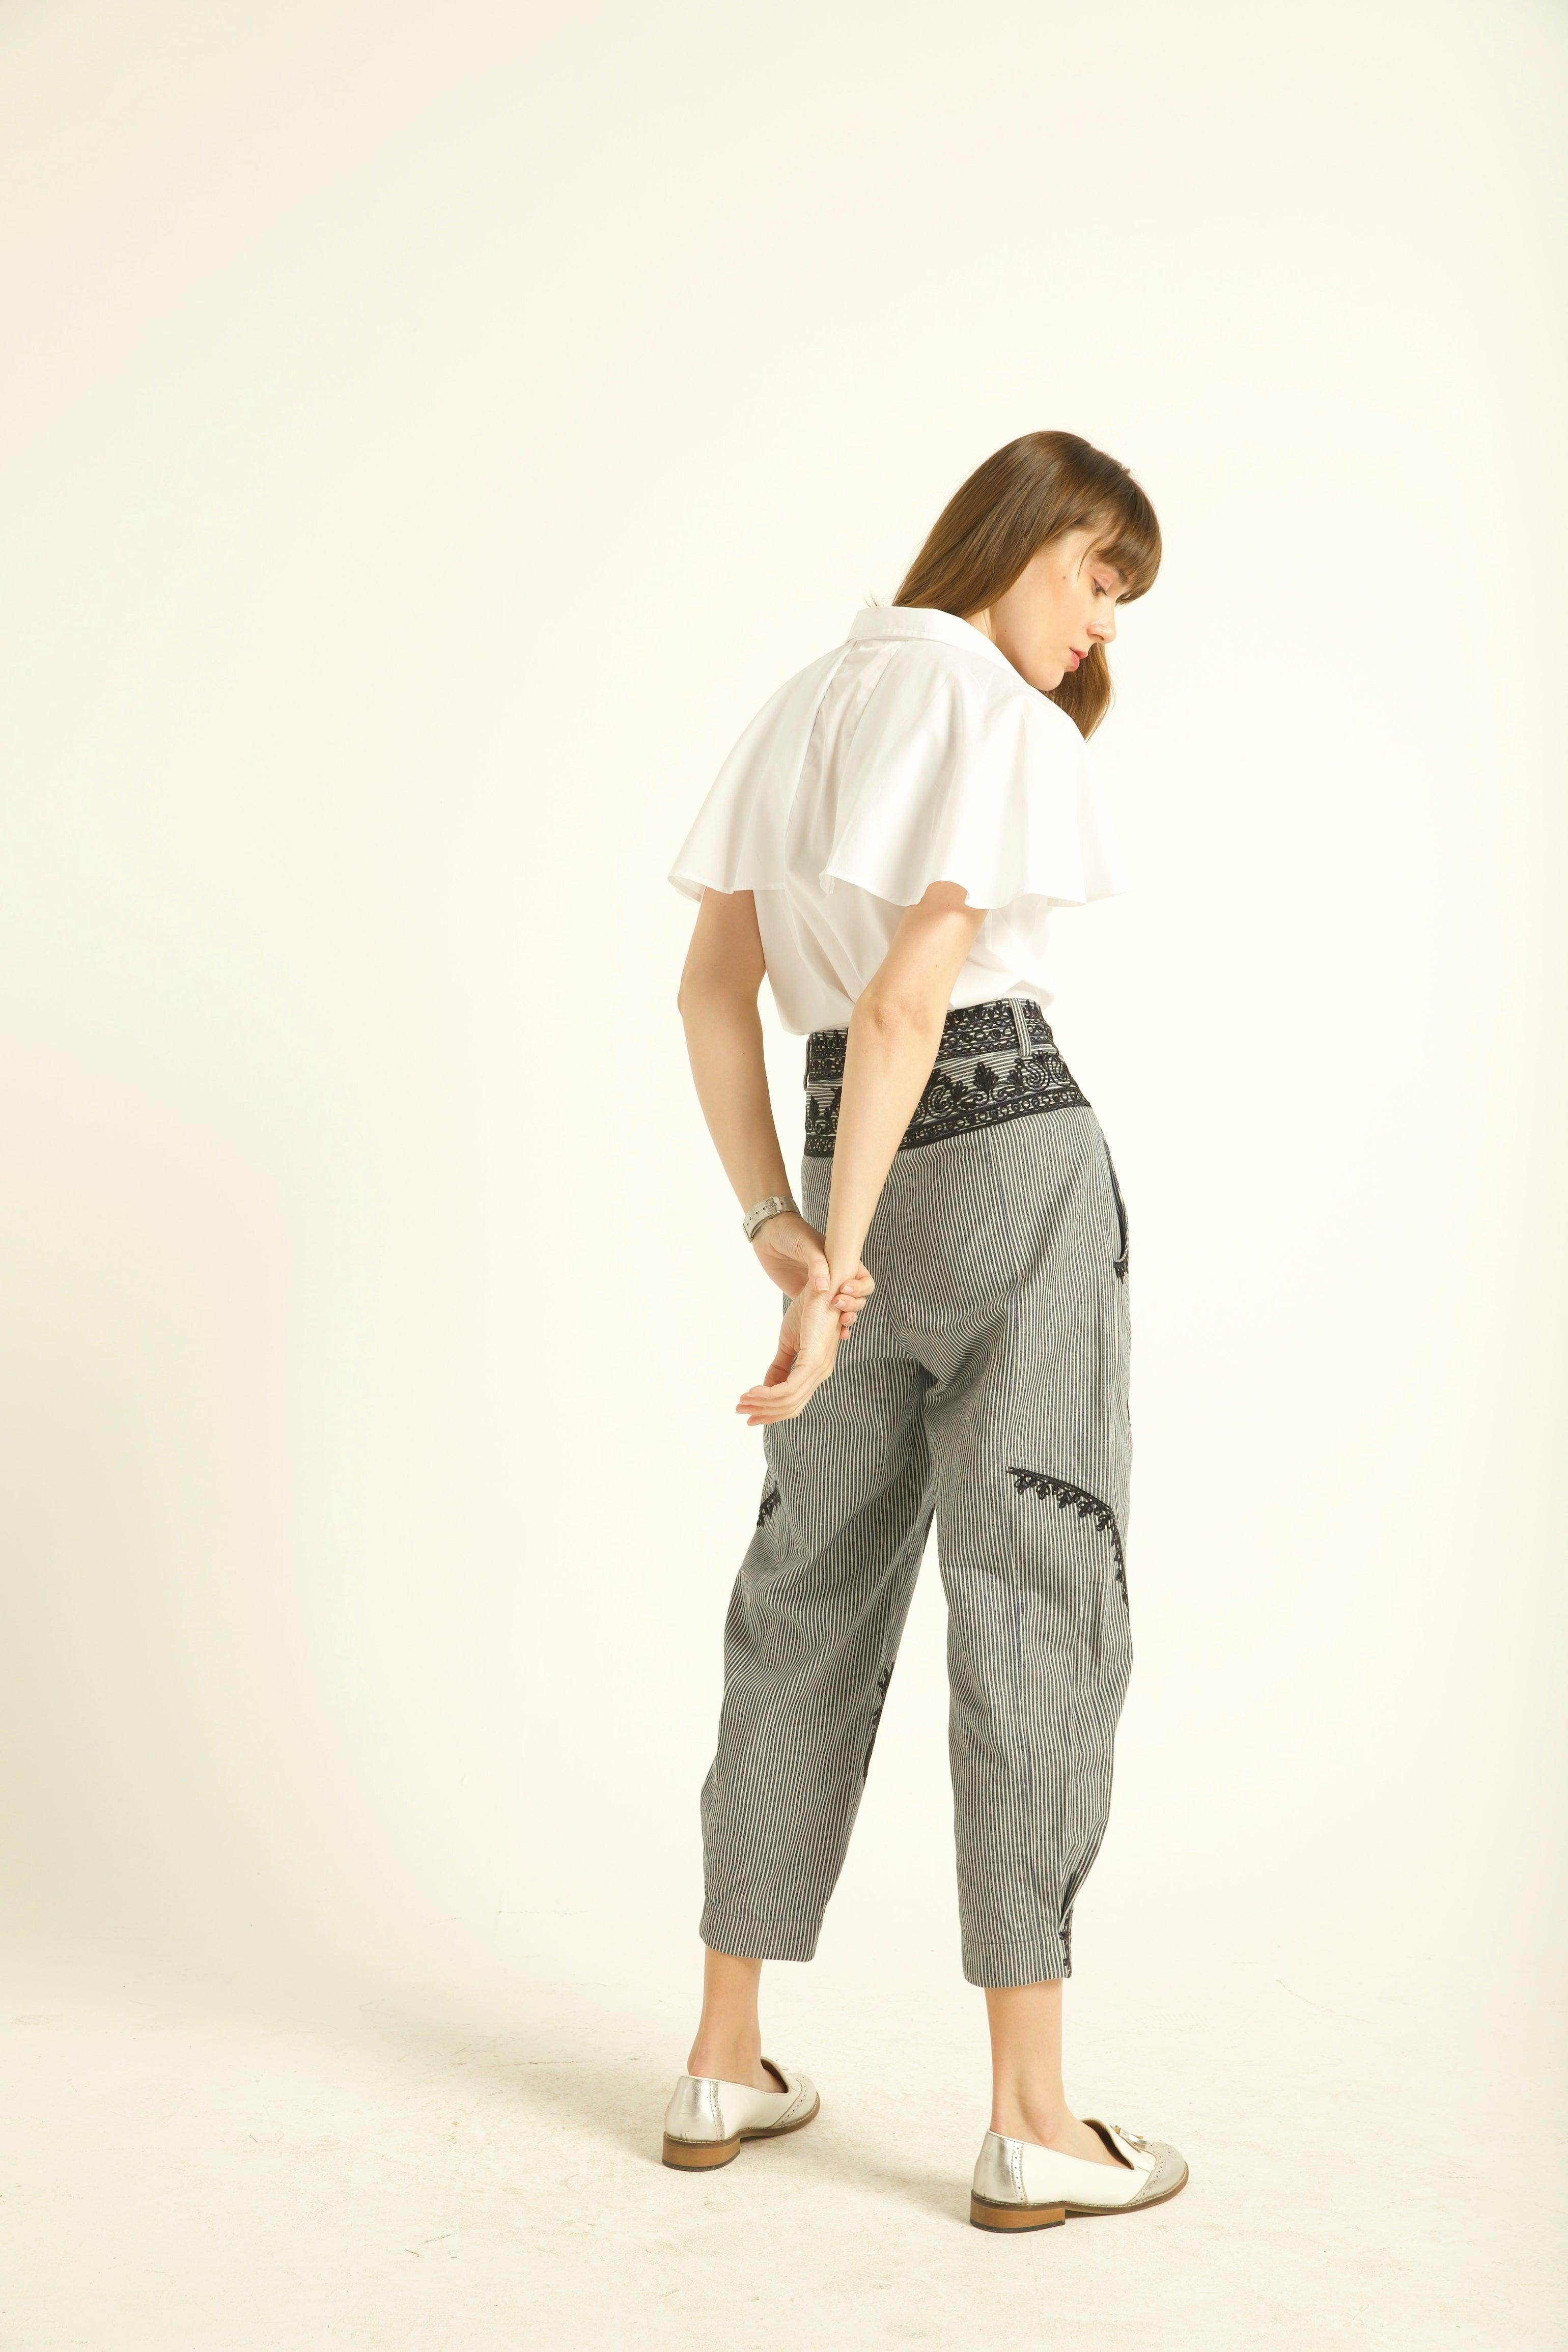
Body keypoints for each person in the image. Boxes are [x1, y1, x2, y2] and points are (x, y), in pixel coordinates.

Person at [658, 430, 1188, 2230]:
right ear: (1026, 532)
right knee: (1038, 1588)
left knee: (801, 1585)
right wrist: (834, 1278)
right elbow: (906, 1005)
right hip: (1011, 1160)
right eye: (1099, 573)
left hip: (844, 1159)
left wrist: (791, 1233)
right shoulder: (995, 718)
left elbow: (713, 991)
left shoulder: (803, 702)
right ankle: (1032, 2118)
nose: (1102, 621)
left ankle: (723, 2055)